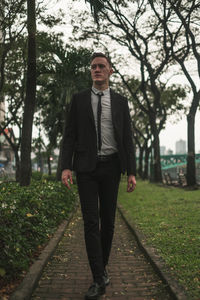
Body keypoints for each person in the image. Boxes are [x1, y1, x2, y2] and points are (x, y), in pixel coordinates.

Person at [61, 52, 136, 300]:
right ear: (90, 72)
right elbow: (69, 135)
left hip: (112, 167)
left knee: (109, 223)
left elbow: (127, 138)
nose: (96, 69)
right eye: (93, 66)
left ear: (110, 71)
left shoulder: (121, 102)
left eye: (101, 66)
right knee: (91, 222)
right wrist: (65, 167)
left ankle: (101, 268)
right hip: (86, 169)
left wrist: (132, 172)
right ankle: (97, 277)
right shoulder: (79, 100)